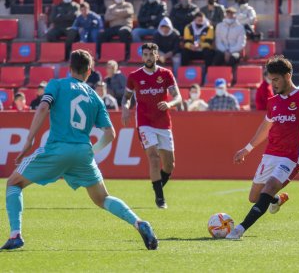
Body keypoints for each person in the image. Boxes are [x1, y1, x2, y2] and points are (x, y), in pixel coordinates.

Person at [0, 49, 158, 251]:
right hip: (83, 153)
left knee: (14, 183)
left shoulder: (56, 84)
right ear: (89, 71)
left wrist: (29, 141)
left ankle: (15, 235)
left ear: (69, 67)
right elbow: (110, 134)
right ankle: (139, 223)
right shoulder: (95, 96)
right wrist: (92, 150)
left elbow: (42, 108)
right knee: (102, 198)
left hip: (57, 149)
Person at [225, 56, 299, 240]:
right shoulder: (273, 101)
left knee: (271, 186)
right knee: (254, 197)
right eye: (271, 80)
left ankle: (239, 230)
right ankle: (276, 200)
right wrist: (247, 149)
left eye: (276, 79)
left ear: (288, 76)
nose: (273, 84)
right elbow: (266, 127)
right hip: (270, 154)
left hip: (291, 157)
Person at [121, 43, 182, 209]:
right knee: (154, 158)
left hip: (163, 122)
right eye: (145, 54)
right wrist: (125, 108)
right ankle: (160, 198)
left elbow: (178, 97)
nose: (148, 57)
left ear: (157, 56)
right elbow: (126, 97)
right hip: (144, 122)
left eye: (151, 54)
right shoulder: (134, 76)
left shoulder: (166, 74)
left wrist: (170, 104)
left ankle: (157, 186)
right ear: (142, 56)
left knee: (169, 165)